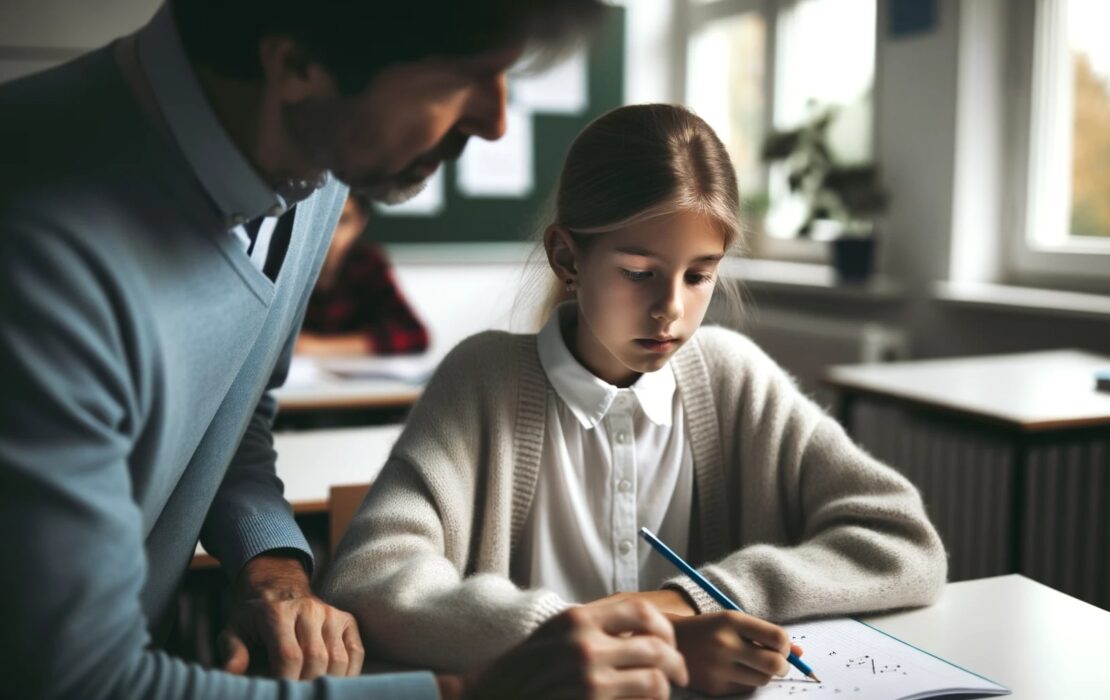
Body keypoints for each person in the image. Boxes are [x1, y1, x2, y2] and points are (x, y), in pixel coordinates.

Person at [0, 1, 692, 698]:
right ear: (298, 63)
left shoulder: (314, 159)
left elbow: (236, 424)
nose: (496, 120)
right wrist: (479, 692)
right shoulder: (37, 235)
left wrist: (273, 571)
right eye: (464, 78)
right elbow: (78, 681)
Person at [324, 104, 949, 697]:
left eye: (699, 275)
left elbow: (903, 541)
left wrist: (686, 603)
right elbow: (371, 578)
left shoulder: (735, 377)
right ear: (568, 257)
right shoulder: (483, 379)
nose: (671, 308)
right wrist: (607, 640)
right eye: (638, 271)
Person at [297, 193, 430, 357]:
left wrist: (317, 347)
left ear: (360, 223)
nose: (330, 235)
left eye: (343, 221)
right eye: (320, 221)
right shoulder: (285, 264)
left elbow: (415, 336)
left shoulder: (366, 264)